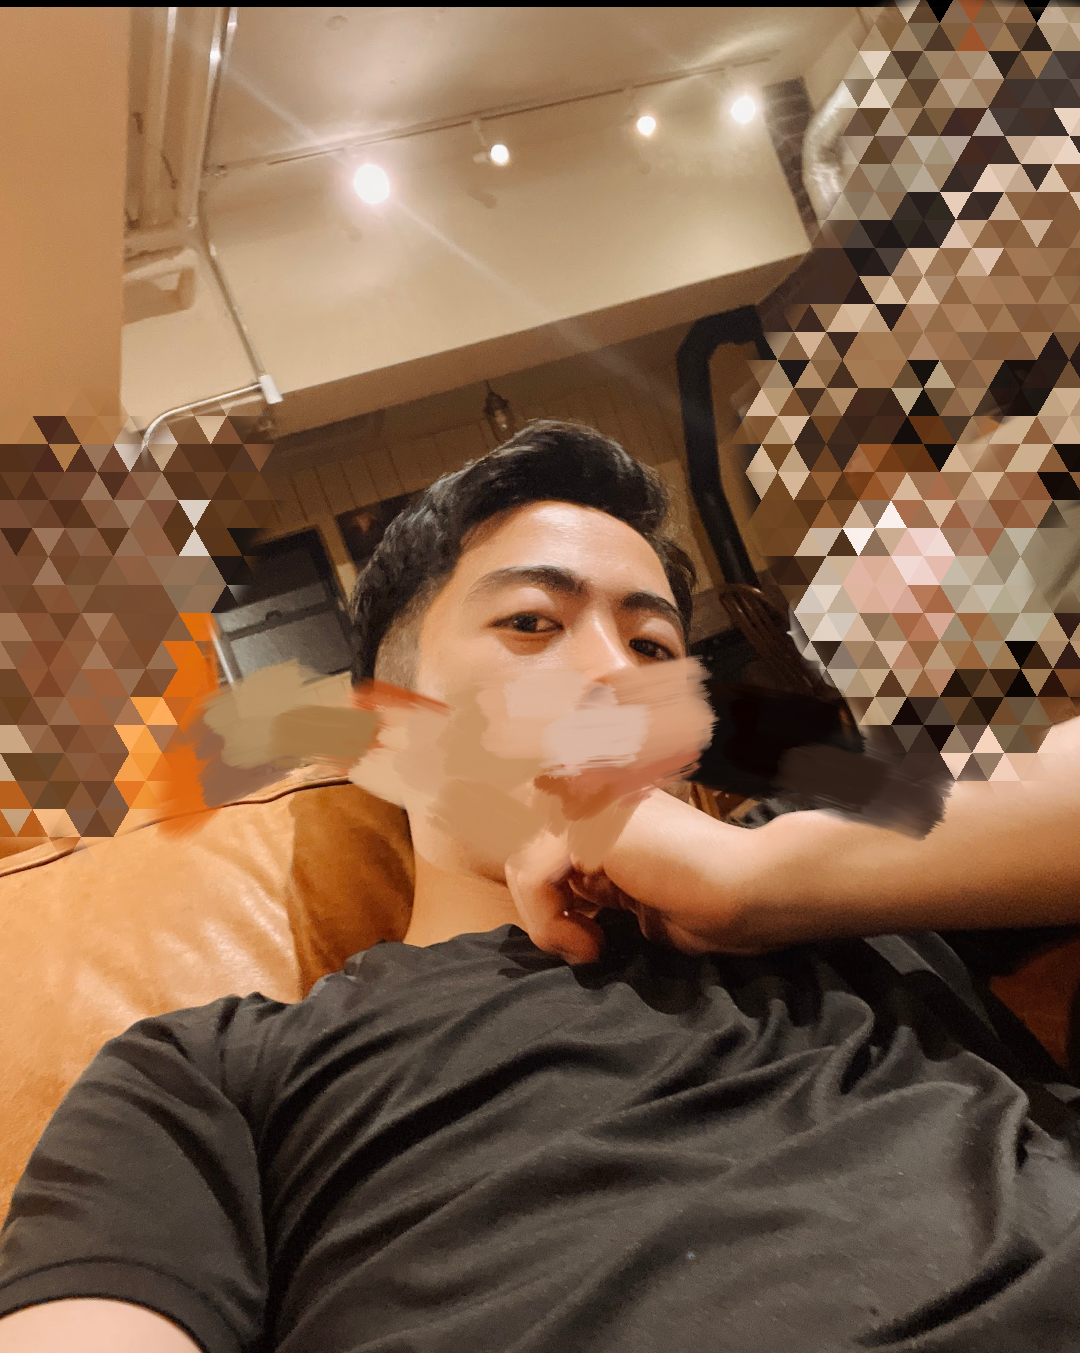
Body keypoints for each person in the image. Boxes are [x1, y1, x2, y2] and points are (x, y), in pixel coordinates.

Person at [0, 422, 1078, 1353]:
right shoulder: (219, 1073)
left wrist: (752, 879)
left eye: (653, 643)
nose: (616, 671)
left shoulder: (818, 878)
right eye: (531, 622)